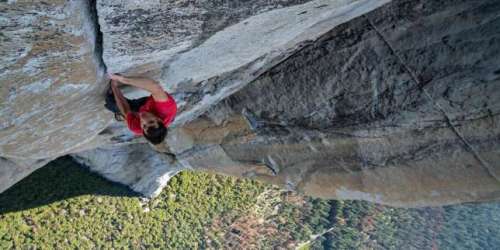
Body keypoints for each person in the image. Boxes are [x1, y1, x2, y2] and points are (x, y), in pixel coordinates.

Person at [104, 74, 177, 145]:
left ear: (142, 130)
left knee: (111, 101)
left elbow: (125, 109)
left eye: (144, 126)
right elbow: (155, 87)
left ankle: (124, 116)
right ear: (159, 120)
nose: (144, 119)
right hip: (151, 105)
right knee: (154, 93)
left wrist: (114, 87)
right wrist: (124, 79)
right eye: (151, 121)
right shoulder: (166, 108)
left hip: (144, 109)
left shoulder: (136, 128)